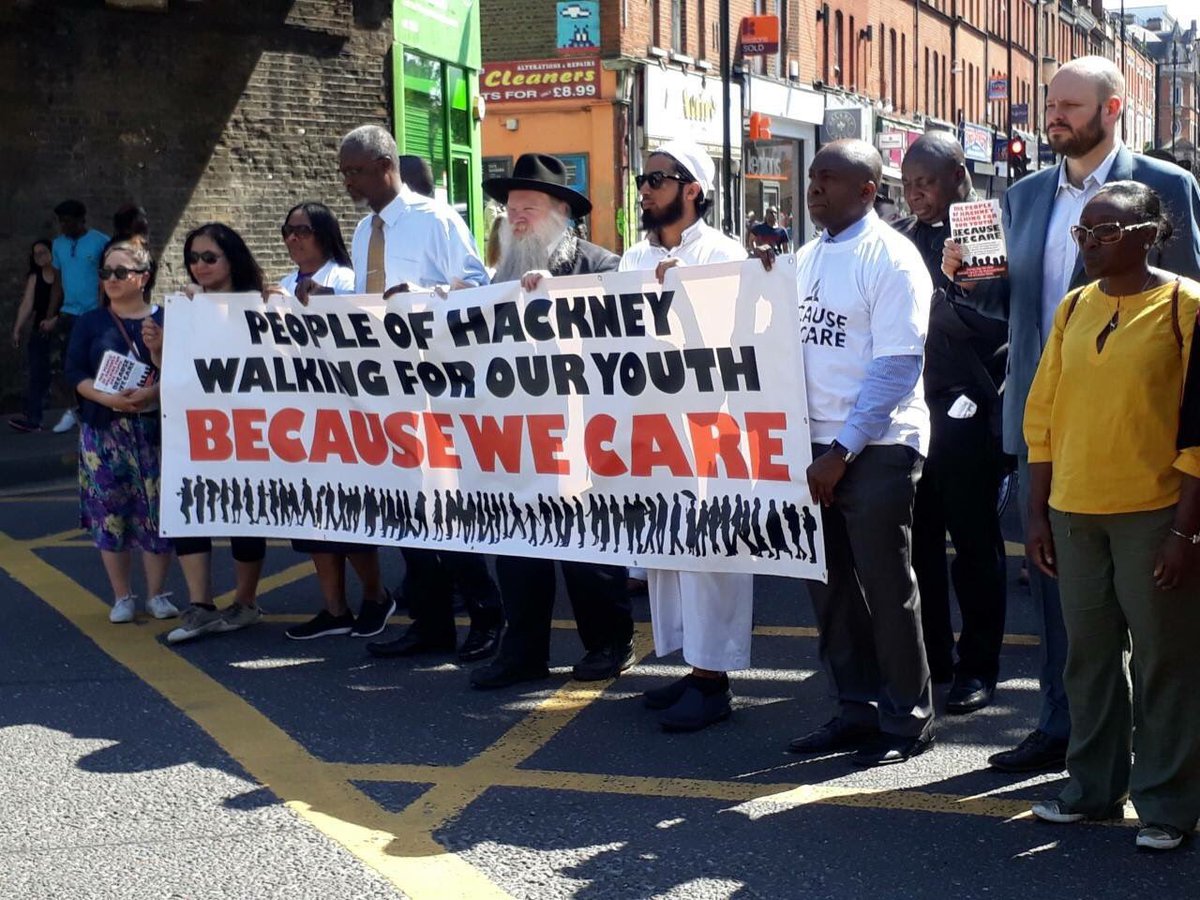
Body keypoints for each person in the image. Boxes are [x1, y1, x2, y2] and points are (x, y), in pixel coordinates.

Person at [944, 56, 1200, 773]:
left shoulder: (1166, 186)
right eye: (1048, 104)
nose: (1052, 116)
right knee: (1061, 593)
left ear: (1112, 110)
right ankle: (1064, 729)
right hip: (1048, 423)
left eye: (1069, 105)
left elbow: (1192, 310)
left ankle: (1157, 751)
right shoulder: (1022, 197)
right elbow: (1006, 309)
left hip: (1143, 427)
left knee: (1154, 600)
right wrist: (966, 279)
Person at [1023, 182, 1200, 852]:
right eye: (1083, 233)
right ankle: (1091, 790)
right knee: (1089, 660)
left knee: (1164, 661)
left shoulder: (1186, 307)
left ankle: (1168, 805)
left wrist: (1186, 529)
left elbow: (1199, 431)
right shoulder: (1072, 308)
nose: (1090, 243)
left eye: (1105, 231)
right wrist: (1036, 514)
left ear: (1148, 232)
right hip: (1074, 512)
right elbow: (1042, 416)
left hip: (1154, 513)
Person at [784, 139, 934, 766]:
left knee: (884, 582)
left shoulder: (891, 258)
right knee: (829, 584)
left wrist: (842, 450)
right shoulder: (802, 258)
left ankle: (908, 716)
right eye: (813, 177)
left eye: (829, 178)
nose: (814, 187)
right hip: (812, 444)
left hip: (876, 446)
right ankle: (855, 706)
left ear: (869, 189)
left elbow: (897, 367)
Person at [332, 124, 500, 662]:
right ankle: (430, 624)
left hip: (438, 383)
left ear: (386, 166)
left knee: (448, 506)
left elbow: (477, 288)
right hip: (386, 384)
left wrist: (424, 296)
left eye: (355, 170)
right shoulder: (362, 232)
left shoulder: (436, 221)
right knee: (407, 508)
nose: (348, 180)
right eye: (344, 171)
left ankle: (486, 618)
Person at [468, 153, 634, 689]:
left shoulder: (602, 266)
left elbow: (626, 348)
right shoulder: (501, 275)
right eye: (511, 209)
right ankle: (523, 652)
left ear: (561, 212)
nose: (515, 218)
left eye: (528, 208)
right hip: (517, 438)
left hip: (585, 436)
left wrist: (560, 299)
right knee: (517, 553)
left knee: (588, 552)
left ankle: (610, 642)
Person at [617, 140, 753, 732]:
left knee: (710, 557)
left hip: (708, 429)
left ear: (691, 189)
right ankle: (693, 666)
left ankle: (714, 681)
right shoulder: (630, 258)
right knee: (670, 554)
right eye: (642, 179)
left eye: (657, 179)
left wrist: (684, 295)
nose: (644, 189)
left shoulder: (723, 252)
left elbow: (737, 341)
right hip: (653, 427)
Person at [895, 133, 1008, 714]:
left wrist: (930, 306)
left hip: (965, 410)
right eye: (908, 184)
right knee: (918, 546)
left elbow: (990, 325)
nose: (915, 194)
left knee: (973, 545)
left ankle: (979, 665)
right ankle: (933, 654)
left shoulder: (980, 227)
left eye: (927, 183)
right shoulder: (903, 235)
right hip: (914, 409)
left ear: (958, 175)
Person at [268, 200, 396, 641]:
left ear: (324, 233)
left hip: (344, 414)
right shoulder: (284, 284)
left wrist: (330, 307)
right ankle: (334, 608)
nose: (293, 239)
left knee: (350, 511)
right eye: (287, 231)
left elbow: (363, 333)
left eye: (302, 230)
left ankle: (377, 596)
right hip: (301, 414)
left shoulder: (344, 279)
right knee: (312, 515)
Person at [144, 224, 269, 644]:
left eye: (209, 257)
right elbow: (172, 373)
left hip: (248, 426)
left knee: (244, 510)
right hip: (195, 426)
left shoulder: (263, 303)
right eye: (193, 258)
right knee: (189, 503)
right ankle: (200, 605)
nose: (199, 266)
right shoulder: (180, 307)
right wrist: (158, 347)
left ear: (232, 258)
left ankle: (245, 603)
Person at [65, 238, 179, 624]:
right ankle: (122, 596)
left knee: (159, 512)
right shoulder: (90, 322)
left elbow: (186, 372)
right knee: (109, 512)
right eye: (105, 273)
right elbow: (75, 372)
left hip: (155, 430)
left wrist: (152, 391)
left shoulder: (166, 319)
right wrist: (106, 400)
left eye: (120, 272)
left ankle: (158, 594)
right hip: (104, 430)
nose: (110, 279)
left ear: (143, 277)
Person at [43, 200, 109, 434]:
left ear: (82, 219)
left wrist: (103, 311)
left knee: (97, 364)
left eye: (68, 221)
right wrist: (50, 315)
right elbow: (57, 284)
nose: (63, 225)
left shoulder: (100, 242)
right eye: (61, 221)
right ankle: (73, 409)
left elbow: (106, 281)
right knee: (63, 365)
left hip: (93, 313)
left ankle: (97, 408)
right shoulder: (58, 245)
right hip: (68, 313)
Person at [9, 240, 56, 432]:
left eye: (43, 252)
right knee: (37, 373)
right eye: (36, 254)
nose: (40, 257)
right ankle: (34, 418)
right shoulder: (35, 277)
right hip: (40, 331)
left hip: (61, 329)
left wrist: (55, 319)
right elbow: (27, 303)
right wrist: (17, 328)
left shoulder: (64, 276)